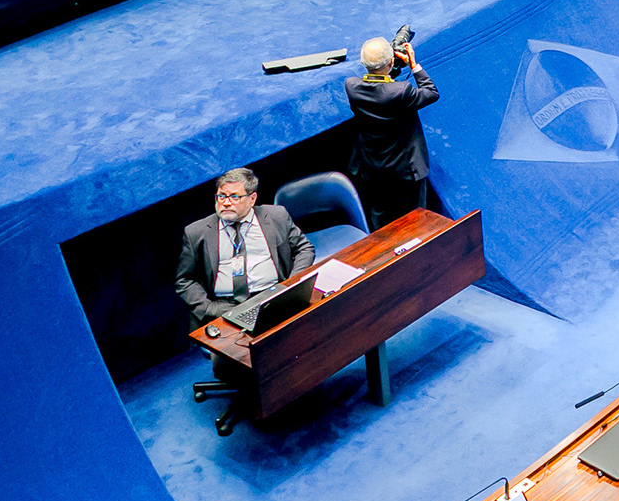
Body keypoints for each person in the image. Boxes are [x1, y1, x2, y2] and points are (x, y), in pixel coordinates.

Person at [175, 168, 315, 325]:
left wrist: (291, 286)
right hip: (224, 307)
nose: (226, 203)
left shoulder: (276, 216)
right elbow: (184, 280)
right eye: (221, 196)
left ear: (252, 199)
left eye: (234, 197)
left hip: (273, 296)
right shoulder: (196, 232)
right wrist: (208, 308)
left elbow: (304, 249)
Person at [345, 33, 439, 228]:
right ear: (390, 63)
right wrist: (413, 65)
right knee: (416, 220)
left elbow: (379, 86)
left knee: (380, 218)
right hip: (405, 170)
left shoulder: (351, 86)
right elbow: (431, 92)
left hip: (373, 168)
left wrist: (386, 68)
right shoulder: (402, 91)